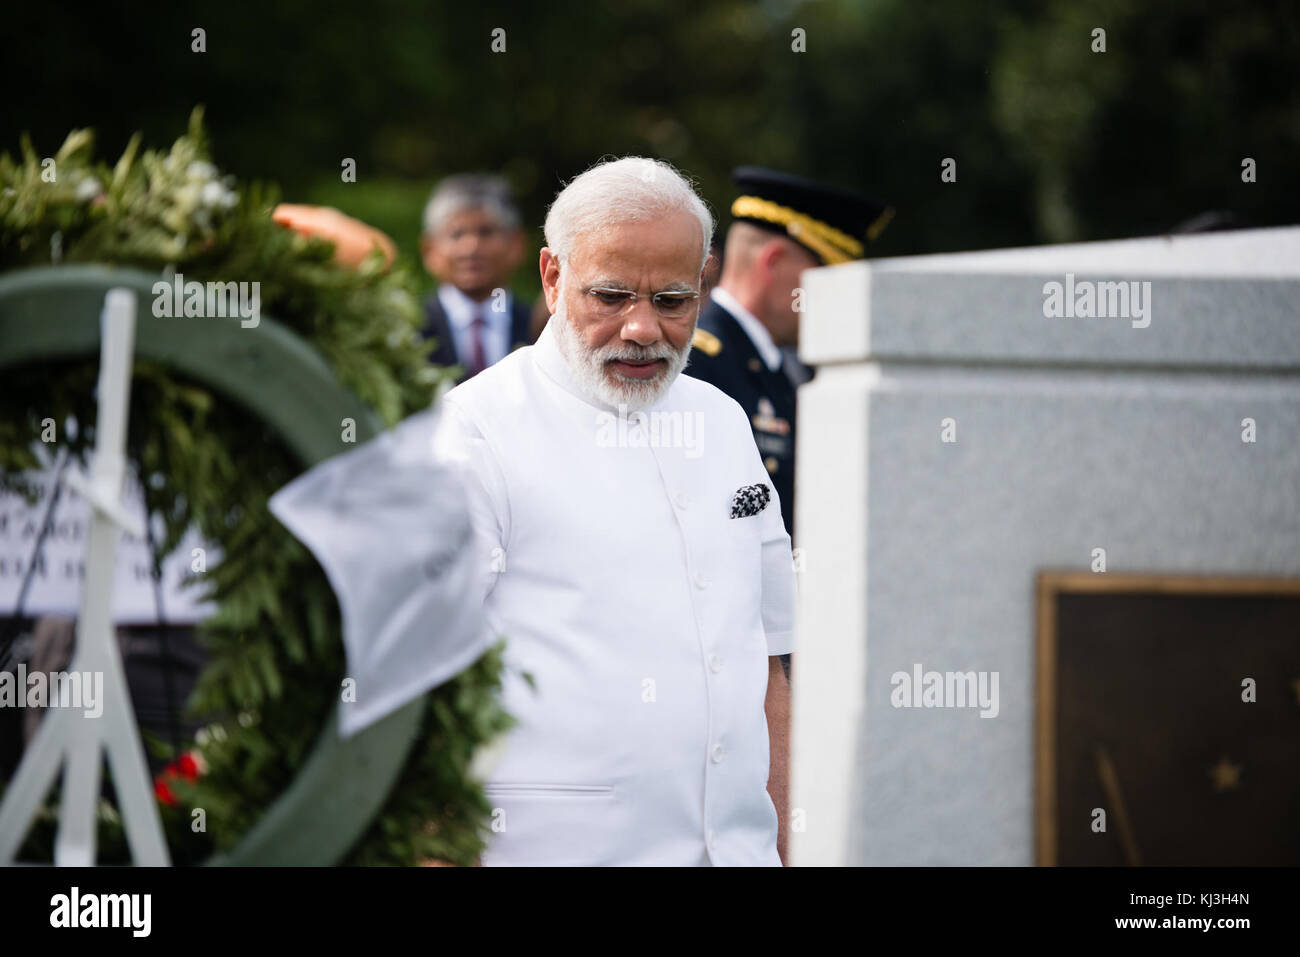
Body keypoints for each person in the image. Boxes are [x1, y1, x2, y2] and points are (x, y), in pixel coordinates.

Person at [434, 157, 796, 866]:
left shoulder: (723, 420)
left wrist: (788, 848)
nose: (640, 328)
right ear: (550, 275)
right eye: (610, 296)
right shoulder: (473, 431)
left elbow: (768, 665)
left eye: (671, 300)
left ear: (706, 280)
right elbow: (417, 691)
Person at [686, 167, 891, 538]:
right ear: (773, 262)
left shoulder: (780, 368)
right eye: (831, 281)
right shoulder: (696, 363)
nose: (842, 302)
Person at [419, 174, 535, 381]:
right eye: (456, 234)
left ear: (516, 245)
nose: (471, 247)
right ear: (430, 250)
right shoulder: (408, 330)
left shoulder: (541, 329)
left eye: (486, 232)